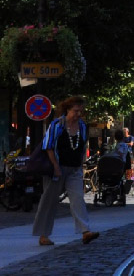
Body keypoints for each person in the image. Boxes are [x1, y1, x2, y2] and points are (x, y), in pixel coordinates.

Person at [32, 96, 100, 246]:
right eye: (76, 111)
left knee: (78, 199)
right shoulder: (57, 125)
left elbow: (82, 146)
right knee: (49, 202)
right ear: (68, 110)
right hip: (57, 168)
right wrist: (55, 166)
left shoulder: (82, 126)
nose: (78, 114)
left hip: (74, 169)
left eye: (81, 111)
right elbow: (48, 146)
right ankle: (43, 235)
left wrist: (81, 164)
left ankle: (85, 231)